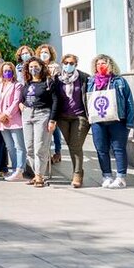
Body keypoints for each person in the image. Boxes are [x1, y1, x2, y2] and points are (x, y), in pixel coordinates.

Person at [87, 54, 134, 189]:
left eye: (103, 63)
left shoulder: (119, 81)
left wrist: (130, 122)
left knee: (119, 149)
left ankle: (121, 177)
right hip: (98, 120)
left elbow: (129, 102)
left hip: (117, 120)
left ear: (110, 65)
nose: (100, 66)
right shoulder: (91, 82)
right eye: (98, 64)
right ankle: (107, 176)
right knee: (101, 149)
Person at [21, 58, 58, 188]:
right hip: (27, 115)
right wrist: (22, 104)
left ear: (42, 67)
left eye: (36, 66)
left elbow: (55, 101)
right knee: (29, 148)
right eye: (30, 67)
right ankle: (36, 173)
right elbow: (23, 97)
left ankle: (39, 176)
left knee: (40, 147)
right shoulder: (27, 83)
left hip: (42, 114)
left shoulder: (48, 82)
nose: (33, 69)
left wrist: (52, 120)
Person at [56, 54, 90, 188]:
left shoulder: (84, 78)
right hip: (63, 117)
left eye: (71, 63)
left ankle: (77, 174)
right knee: (71, 145)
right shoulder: (57, 78)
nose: (68, 65)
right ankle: (77, 171)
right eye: (66, 62)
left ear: (76, 65)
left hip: (80, 116)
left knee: (76, 145)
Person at [0, 62, 26, 181]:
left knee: (19, 146)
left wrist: (6, 114)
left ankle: (20, 169)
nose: (7, 72)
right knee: (9, 146)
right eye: (5, 70)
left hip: (13, 119)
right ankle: (14, 169)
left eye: (10, 70)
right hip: (1, 120)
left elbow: (16, 101)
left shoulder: (17, 85)